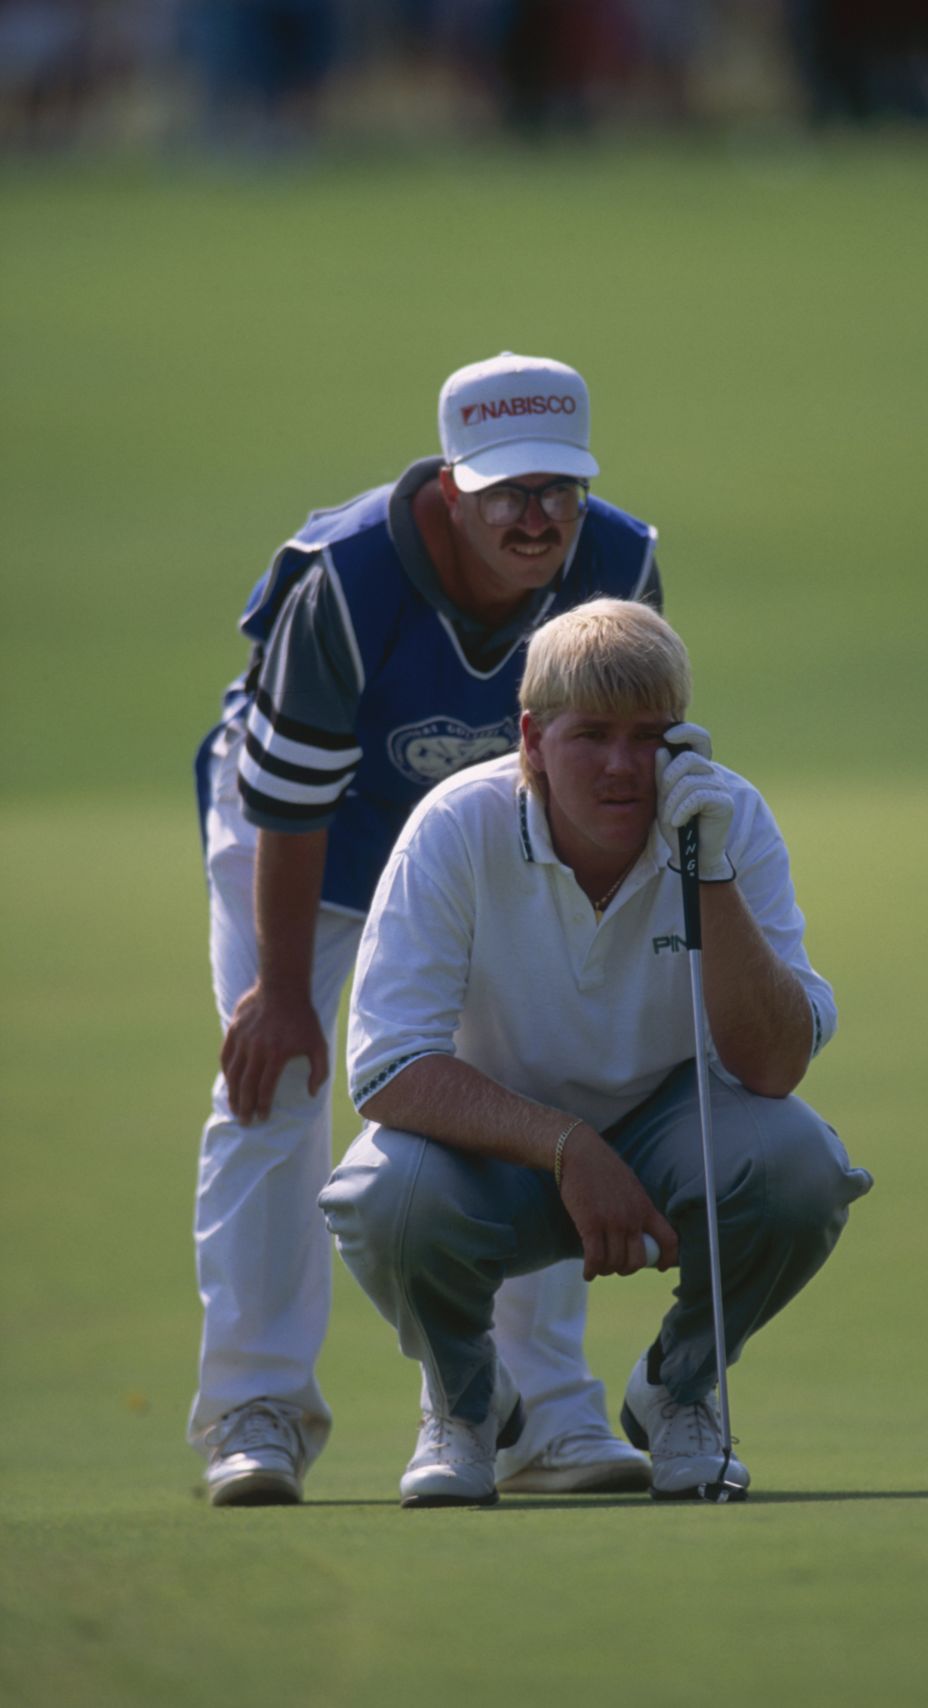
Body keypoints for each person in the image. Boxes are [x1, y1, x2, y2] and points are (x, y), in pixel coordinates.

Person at [192, 354, 662, 1505]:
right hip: (315, 834)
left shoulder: (620, 564)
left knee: (531, 1077)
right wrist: (290, 991)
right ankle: (255, 1410)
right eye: (506, 490)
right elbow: (291, 803)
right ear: (450, 488)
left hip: (503, 828)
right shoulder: (348, 584)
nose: (537, 515)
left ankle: (541, 1411)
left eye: (558, 486)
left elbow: (612, 757)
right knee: (278, 1079)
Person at [319, 599, 873, 1506]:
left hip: (670, 1129)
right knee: (385, 1196)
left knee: (802, 1168)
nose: (624, 767)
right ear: (533, 739)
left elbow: (774, 1066)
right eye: (593, 736)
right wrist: (570, 1147)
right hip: (488, 1151)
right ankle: (462, 1406)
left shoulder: (724, 820)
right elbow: (388, 1069)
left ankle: (680, 1391)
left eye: (651, 737)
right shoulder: (455, 827)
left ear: (684, 743)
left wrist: (710, 874)